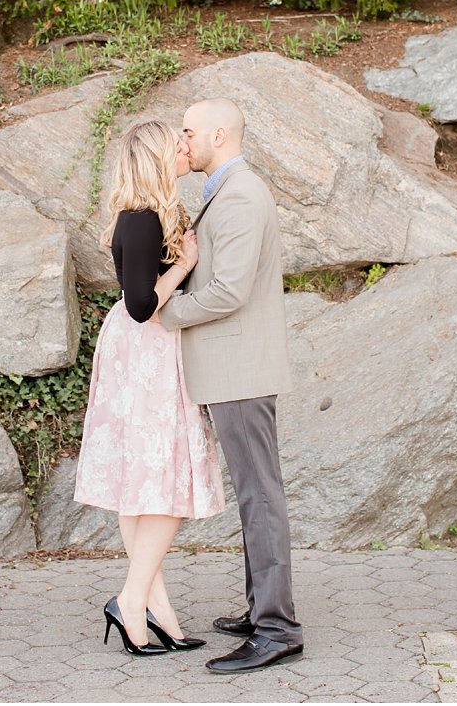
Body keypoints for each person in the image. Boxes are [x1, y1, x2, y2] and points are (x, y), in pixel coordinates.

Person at [158, 98, 303, 674]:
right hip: (233, 369)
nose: (183, 141)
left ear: (220, 134)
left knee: (260, 496)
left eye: (189, 132)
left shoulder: (242, 193)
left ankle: (278, 629)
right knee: (255, 496)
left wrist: (164, 314)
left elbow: (230, 291)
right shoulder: (224, 189)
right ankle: (260, 611)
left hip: (241, 370)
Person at [74, 120, 223, 657]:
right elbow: (140, 306)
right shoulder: (139, 221)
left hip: (146, 349)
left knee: (145, 478)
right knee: (162, 477)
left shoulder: (148, 215)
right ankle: (132, 599)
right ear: (158, 158)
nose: (186, 148)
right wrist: (184, 264)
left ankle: (157, 609)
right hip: (145, 349)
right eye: (176, 144)